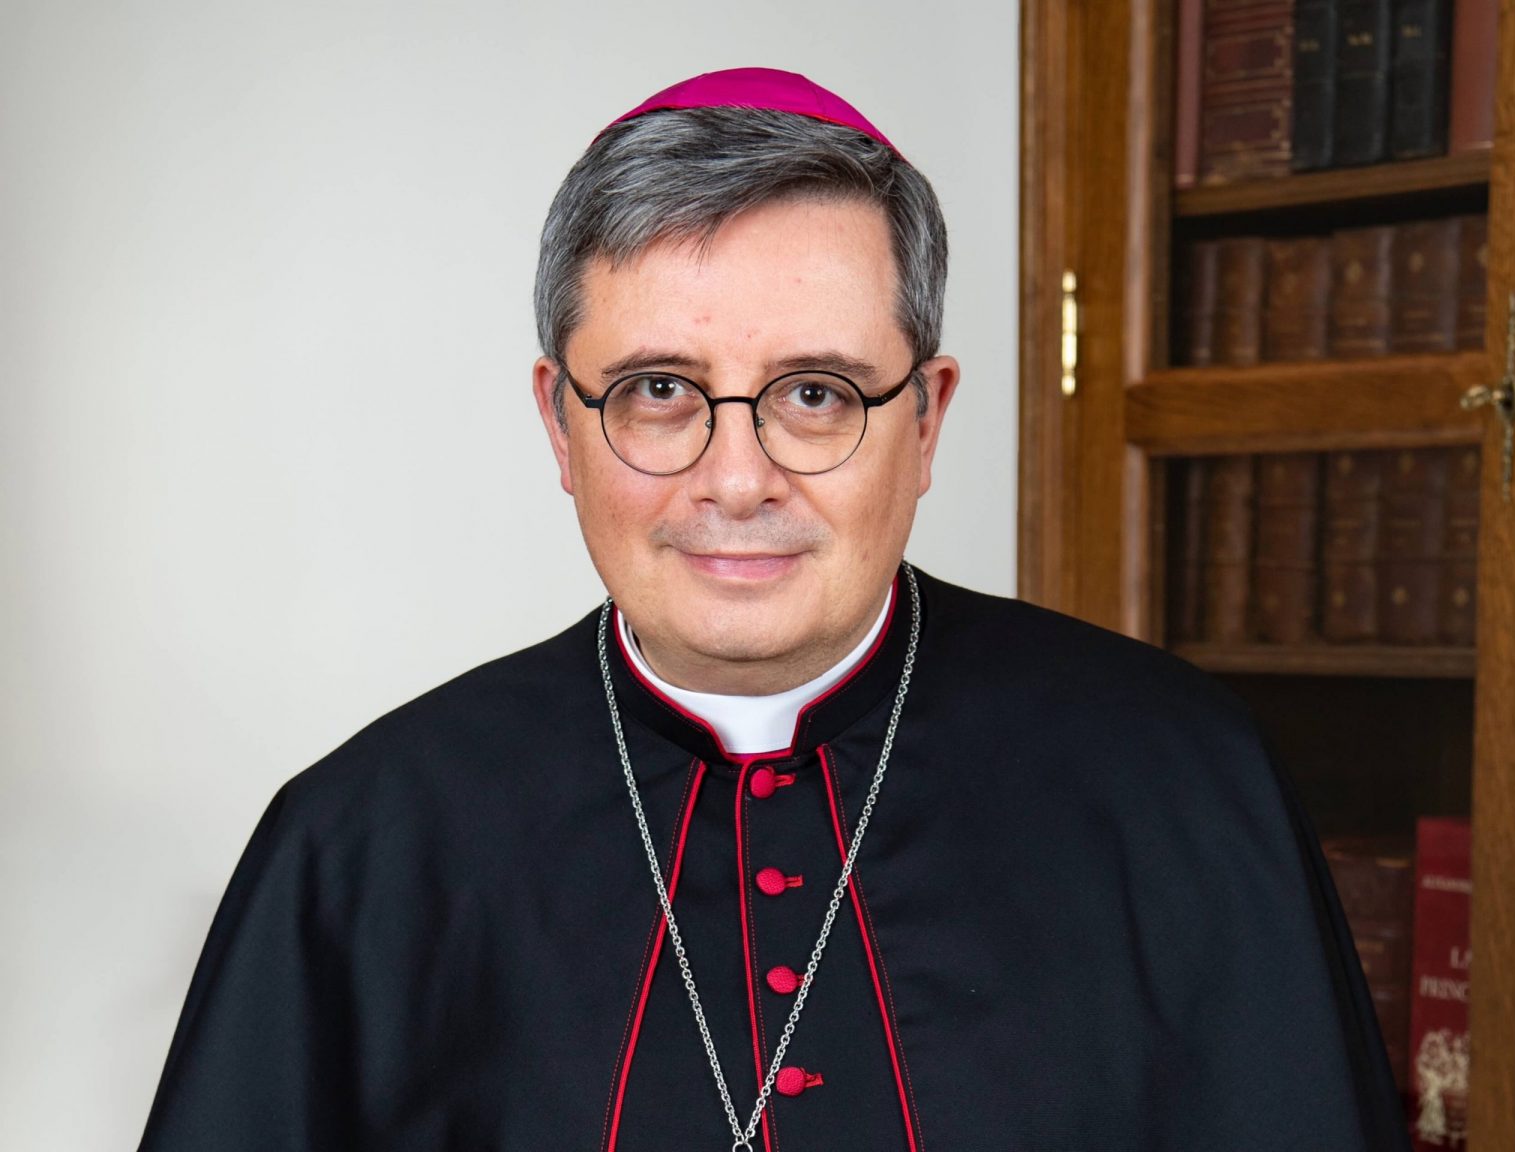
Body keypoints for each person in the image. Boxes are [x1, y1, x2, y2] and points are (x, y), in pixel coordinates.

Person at [136, 68, 1410, 1151]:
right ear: (560, 427)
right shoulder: (362, 847)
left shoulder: (1181, 783)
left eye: (815, 394)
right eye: (658, 390)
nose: (737, 482)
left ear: (926, 422)